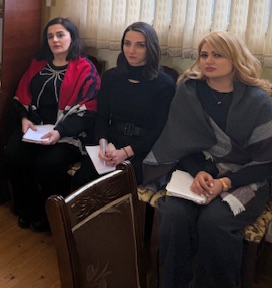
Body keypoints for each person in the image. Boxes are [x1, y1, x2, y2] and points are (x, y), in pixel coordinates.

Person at [143, 32, 272, 288]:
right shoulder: (189, 91)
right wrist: (198, 172)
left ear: (235, 59)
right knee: (175, 215)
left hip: (245, 177)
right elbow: (179, 143)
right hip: (197, 171)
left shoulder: (258, 101)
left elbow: (265, 162)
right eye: (204, 55)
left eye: (217, 55)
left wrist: (224, 182)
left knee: (214, 222)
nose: (208, 60)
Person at [2, 17, 100, 232]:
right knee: (13, 154)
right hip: (35, 127)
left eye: (60, 35)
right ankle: (25, 207)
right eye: (50, 36)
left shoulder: (85, 68)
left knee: (48, 163)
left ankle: (47, 215)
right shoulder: (38, 64)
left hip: (68, 133)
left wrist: (59, 132)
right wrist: (24, 118)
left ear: (72, 37)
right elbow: (22, 94)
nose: (55, 40)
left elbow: (88, 108)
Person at [74, 22, 175, 186]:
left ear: (151, 48)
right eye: (127, 43)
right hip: (112, 140)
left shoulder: (165, 84)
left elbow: (160, 129)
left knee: (116, 183)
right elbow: (101, 116)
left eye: (140, 45)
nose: (131, 50)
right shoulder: (111, 77)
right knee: (84, 178)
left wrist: (126, 152)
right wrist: (103, 143)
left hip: (143, 147)